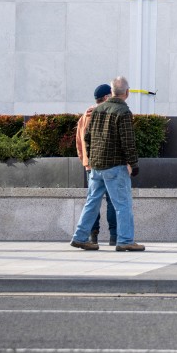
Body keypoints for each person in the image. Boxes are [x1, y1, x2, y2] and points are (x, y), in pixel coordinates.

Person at [69, 76, 144, 252]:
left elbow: (87, 137)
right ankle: (125, 240)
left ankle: (80, 237)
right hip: (115, 166)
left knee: (92, 202)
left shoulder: (97, 110)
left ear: (111, 92)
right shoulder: (123, 112)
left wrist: (93, 158)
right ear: (127, 92)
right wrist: (134, 164)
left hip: (95, 166)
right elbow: (128, 141)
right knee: (123, 204)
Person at [74, 83, 117, 246]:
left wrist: (84, 160)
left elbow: (78, 142)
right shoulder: (106, 115)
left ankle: (93, 235)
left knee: (92, 200)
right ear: (106, 97)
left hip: (90, 166)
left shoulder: (84, 117)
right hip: (107, 164)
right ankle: (114, 236)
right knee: (112, 200)